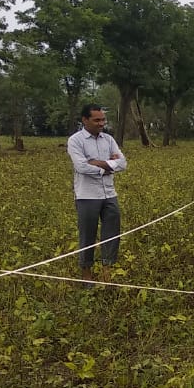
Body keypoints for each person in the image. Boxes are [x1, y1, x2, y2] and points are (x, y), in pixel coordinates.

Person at [67, 104, 127, 281]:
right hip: (87, 195)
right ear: (85, 120)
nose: (101, 123)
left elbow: (123, 163)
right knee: (87, 234)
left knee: (112, 233)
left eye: (103, 120)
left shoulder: (108, 139)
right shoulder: (75, 140)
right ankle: (86, 274)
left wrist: (97, 163)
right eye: (97, 120)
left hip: (109, 194)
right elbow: (81, 167)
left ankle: (107, 272)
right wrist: (108, 166)